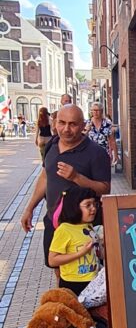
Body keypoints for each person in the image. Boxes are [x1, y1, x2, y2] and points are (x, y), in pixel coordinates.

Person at [20, 104, 111, 274]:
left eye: (73, 124)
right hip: (54, 220)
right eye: (61, 123)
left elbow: (105, 189)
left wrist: (76, 177)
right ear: (54, 123)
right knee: (57, 266)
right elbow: (45, 176)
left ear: (83, 126)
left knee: (87, 272)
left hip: (82, 225)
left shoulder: (96, 153)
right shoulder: (52, 145)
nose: (66, 129)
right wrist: (29, 208)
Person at [47, 187, 101, 328]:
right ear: (74, 207)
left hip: (93, 285)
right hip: (71, 287)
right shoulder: (64, 229)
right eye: (87, 205)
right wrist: (81, 253)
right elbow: (52, 259)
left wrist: (100, 248)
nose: (93, 209)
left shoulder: (90, 227)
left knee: (92, 326)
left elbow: (98, 255)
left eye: (94, 204)